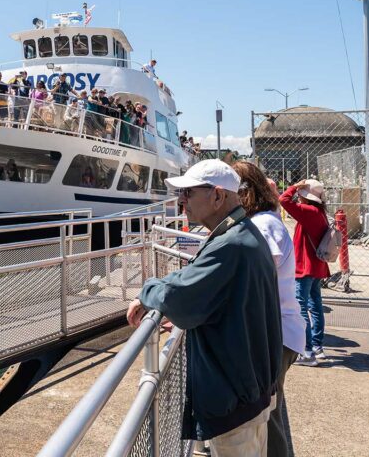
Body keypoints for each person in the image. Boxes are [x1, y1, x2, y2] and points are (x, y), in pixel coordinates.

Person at [127, 160, 282, 456]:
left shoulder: (231, 244)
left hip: (236, 400)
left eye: (188, 193)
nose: (181, 201)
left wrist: (147, 290)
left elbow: (180, 300)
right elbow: (193, 279)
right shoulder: (241, 234)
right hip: (250, 391)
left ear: (218, 196)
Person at [233, 161, 304, 456]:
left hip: (275, 334)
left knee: (267, 413)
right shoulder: (265, 221)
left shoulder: (264, 224)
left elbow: (262, 265)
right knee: (272, 409)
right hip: (276, 332)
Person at [279, 179, 331, 367]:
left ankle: (307, 351)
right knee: (315, 305)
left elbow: (283, 200)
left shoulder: (308, 212)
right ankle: (317, 347)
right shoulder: (320, 212)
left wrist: (294, 187)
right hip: (317, 266)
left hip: (305, 266)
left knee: (301, 307)